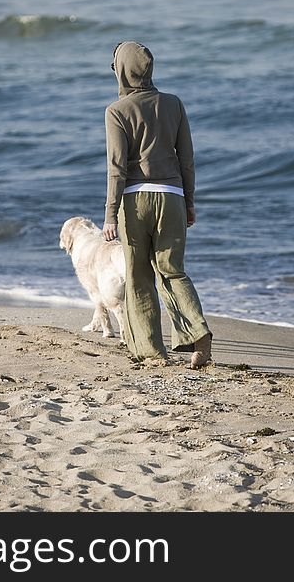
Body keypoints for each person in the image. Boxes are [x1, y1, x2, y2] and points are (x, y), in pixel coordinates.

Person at [101, 41, 213, 369]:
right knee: (172, 271)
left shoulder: (116, 111)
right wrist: (189, 201)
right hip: (173, 197)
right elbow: (187, 159)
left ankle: (151, 351)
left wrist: (110, 214)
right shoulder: (174, 104)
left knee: (138, 275)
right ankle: (198, 332)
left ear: (121, 70)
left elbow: (116, 168)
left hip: (135, 201)